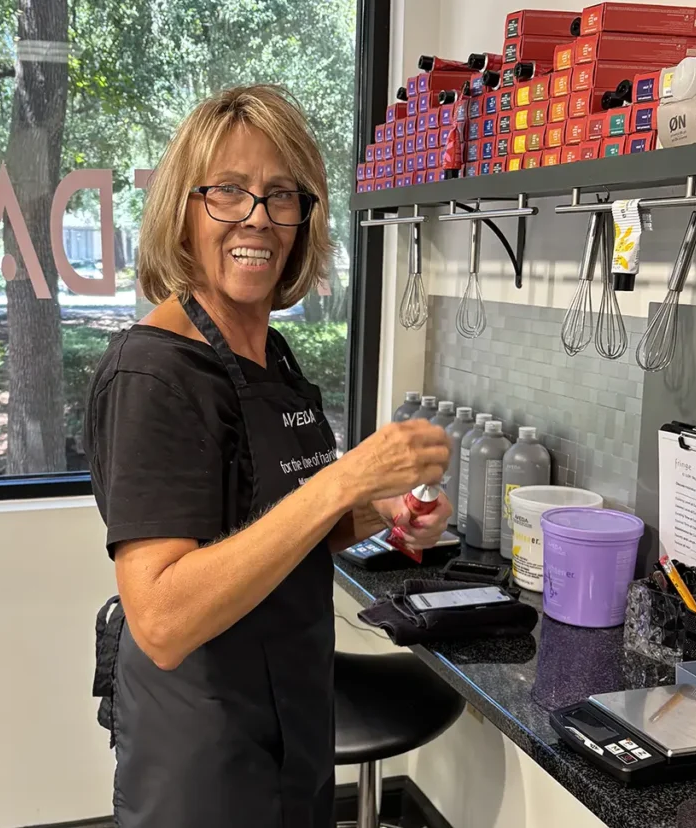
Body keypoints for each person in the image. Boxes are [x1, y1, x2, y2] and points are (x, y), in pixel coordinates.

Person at [85, 84, 452, 828]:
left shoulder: (272, 357)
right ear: (184, 211)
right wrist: (345, 479)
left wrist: (380, 513)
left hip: (295, 717)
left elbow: (283, 523)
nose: (257, 216)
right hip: (205, 750)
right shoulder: (154, 374)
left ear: (303, 220)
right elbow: (159, 620)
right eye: (229, 191)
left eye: (281, 195)